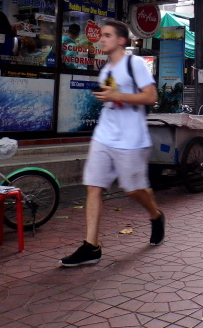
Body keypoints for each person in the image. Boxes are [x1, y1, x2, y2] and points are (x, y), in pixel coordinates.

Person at [60, 20, 162, 267]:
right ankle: (91, 245)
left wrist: (117, 95)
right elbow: (112, 101)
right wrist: (109, 97)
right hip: (104, 135)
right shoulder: (106, 70)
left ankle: (155, 215)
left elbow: (151, 96)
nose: (101, 39)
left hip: (131, 138)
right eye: (102, 36)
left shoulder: (134, 63)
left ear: (121, 40)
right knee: (94, 186)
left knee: (133, 189)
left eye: (107, 35)